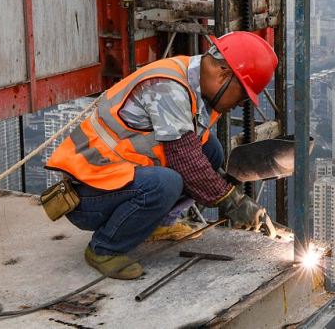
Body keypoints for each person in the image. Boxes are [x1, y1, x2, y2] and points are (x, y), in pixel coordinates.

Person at [46, 32, 278, 280]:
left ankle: (156, 226)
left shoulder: (193, 83)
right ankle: (104, 248)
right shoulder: (169, 88)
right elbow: (185, 161)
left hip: (117, 182)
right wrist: (233, 202)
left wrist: (223, 186)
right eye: (242, 97)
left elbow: (193, 155)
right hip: (88, 197)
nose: (239, 105)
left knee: (211, 150)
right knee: (166, 183)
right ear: (224, 75)